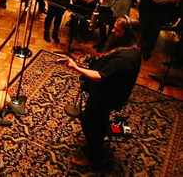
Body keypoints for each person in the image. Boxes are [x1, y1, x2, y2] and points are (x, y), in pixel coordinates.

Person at [60, 16, 142, 167]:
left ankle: (93, 157)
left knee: (94, 124)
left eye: (117, 29)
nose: (112, 30)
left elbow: (101, 77)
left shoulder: (126, 57)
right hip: (102, 93)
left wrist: (76, 68)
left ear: (128, 34)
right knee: (89, 118)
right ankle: (89, 141)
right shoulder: (126, 48)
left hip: (106, 96)